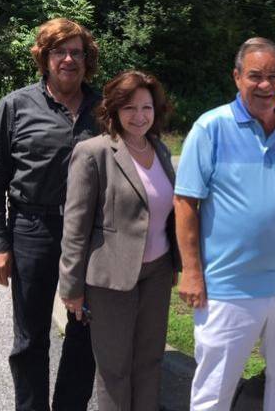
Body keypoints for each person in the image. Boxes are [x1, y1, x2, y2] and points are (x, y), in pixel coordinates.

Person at [174, 37, 275, 411]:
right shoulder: (210, 127)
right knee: (214, 388)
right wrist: (191, 271)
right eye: (255, 76)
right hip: (226, 285)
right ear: (237, 77)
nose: (265, 85)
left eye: (274, 76)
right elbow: (186, 202)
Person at [0, 18, 98, 410]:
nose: (68, 59)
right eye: (59, 51)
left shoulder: (103, 108)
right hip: (33, 228)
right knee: (31, 337)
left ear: (86, 59)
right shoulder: (15, 105)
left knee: (84, 333)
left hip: (89, 235)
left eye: (76, 52)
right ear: (44, 58)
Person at [59, 70, 180, 411]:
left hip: (157, 273)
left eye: (147, 107)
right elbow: (75, 224)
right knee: (114, 369)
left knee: (149, 361)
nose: (139, 116)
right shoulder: (93, 152)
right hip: (111, 279)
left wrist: (176, 264)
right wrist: (72, 287)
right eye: (130, 108)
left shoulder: (159, 148)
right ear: (113, 109)